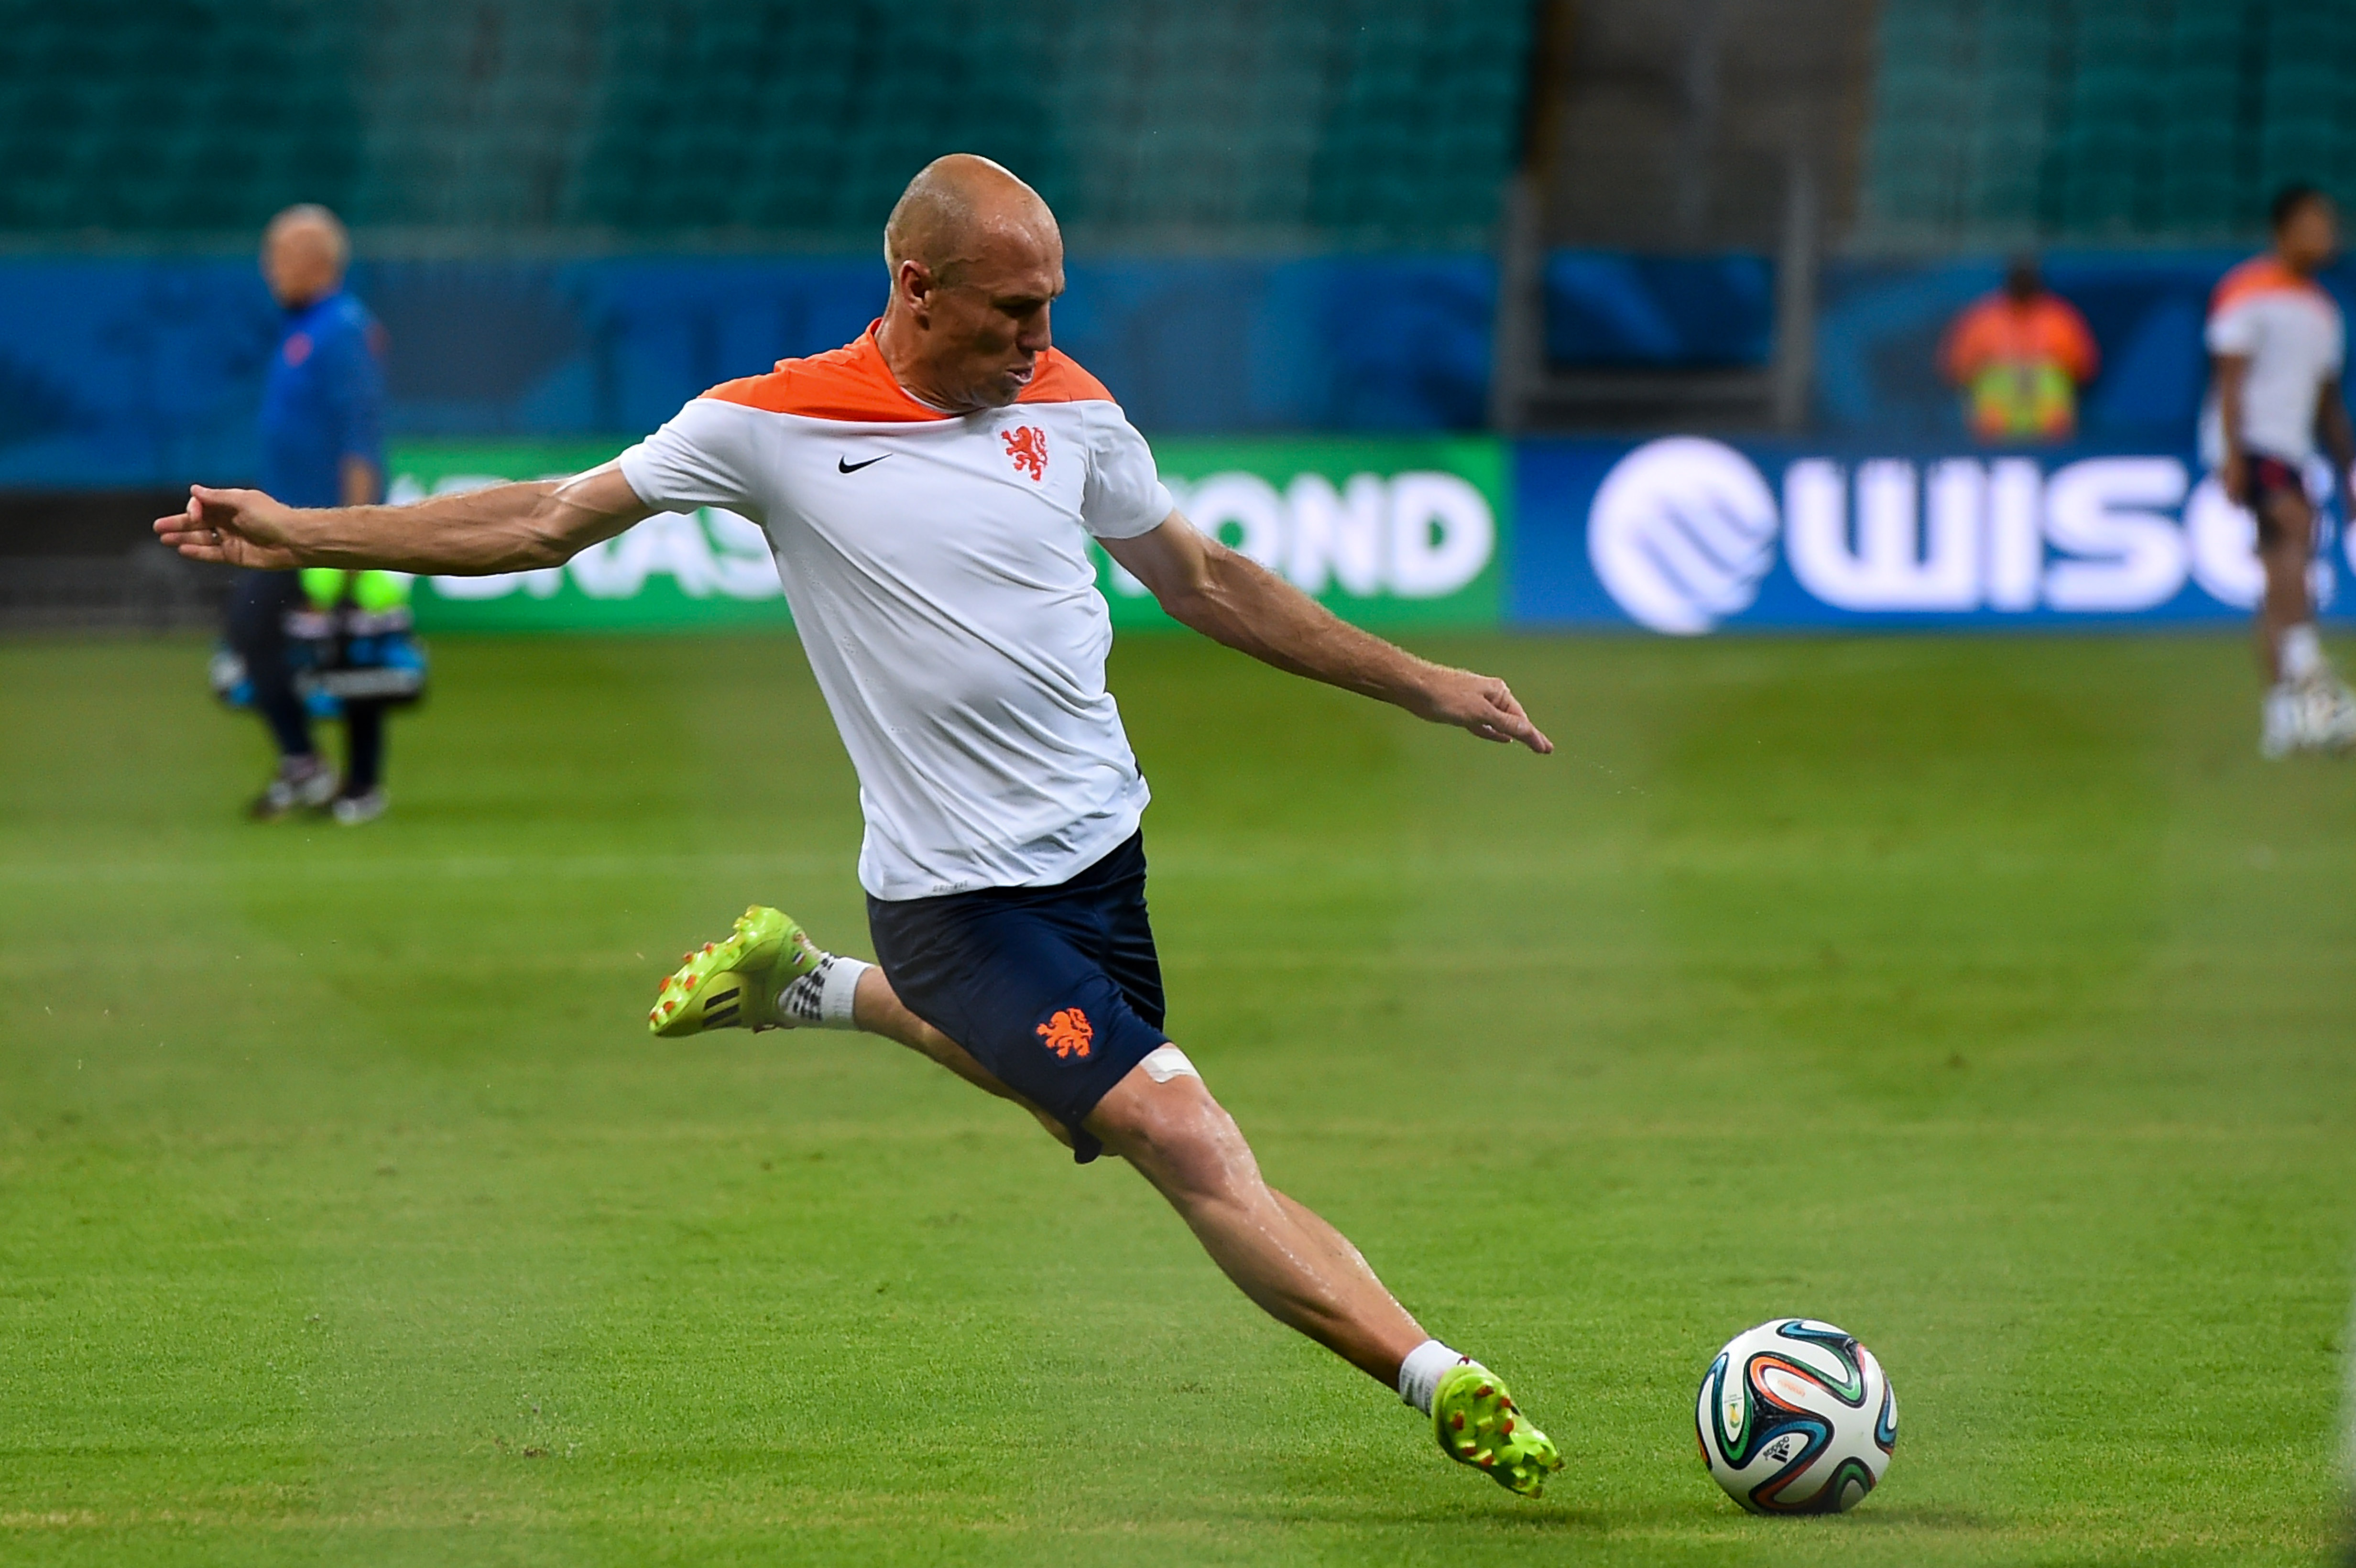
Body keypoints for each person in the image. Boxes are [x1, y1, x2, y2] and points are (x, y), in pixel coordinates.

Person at [158, 155, 1567, 1496]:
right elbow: (540, 520)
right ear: (916, 285)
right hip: (953, 899)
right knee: (1179, 1135)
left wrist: (1424, 682)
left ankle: (808, 985)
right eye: (1013, 308)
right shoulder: (767, 424)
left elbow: (1204, 580)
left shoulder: (1068, 407)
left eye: (1052, 304)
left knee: (1078, 1105)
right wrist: (298, 531)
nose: (1039, 334)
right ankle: (1437, 1377)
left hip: (1101, 866)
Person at [228, 203, 399, 823]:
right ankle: (308, 765)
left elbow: (361, 436)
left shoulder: (342, 328)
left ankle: (357, 783)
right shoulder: (304, 329)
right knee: (274, 637)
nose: (268, 267)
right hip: (287, 526)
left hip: (324, 528)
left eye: (279, 255)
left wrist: (358, 532)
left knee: (350, 645)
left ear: (317, 261)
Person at [2202, 184, 2356, 757]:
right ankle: (2306, 662)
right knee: (2293, 530)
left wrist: (2345, 472)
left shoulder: (2322, 309)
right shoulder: (2245, 291)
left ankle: (2282, 716)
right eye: (2316, 223)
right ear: (2284, 230)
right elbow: (2228, 382)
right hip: (2252, 442)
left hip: (2290, 448)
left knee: (2281, 575)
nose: (2327, 235)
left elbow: (2327, 401)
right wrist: (2231, 457)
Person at [1938, 254, 2100, 443]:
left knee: (2051, 379)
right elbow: (1957, 370)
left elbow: (2085, 369)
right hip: (1995, 427)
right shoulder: (1984, 319)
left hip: (2049, 426)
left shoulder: (2059, 319)